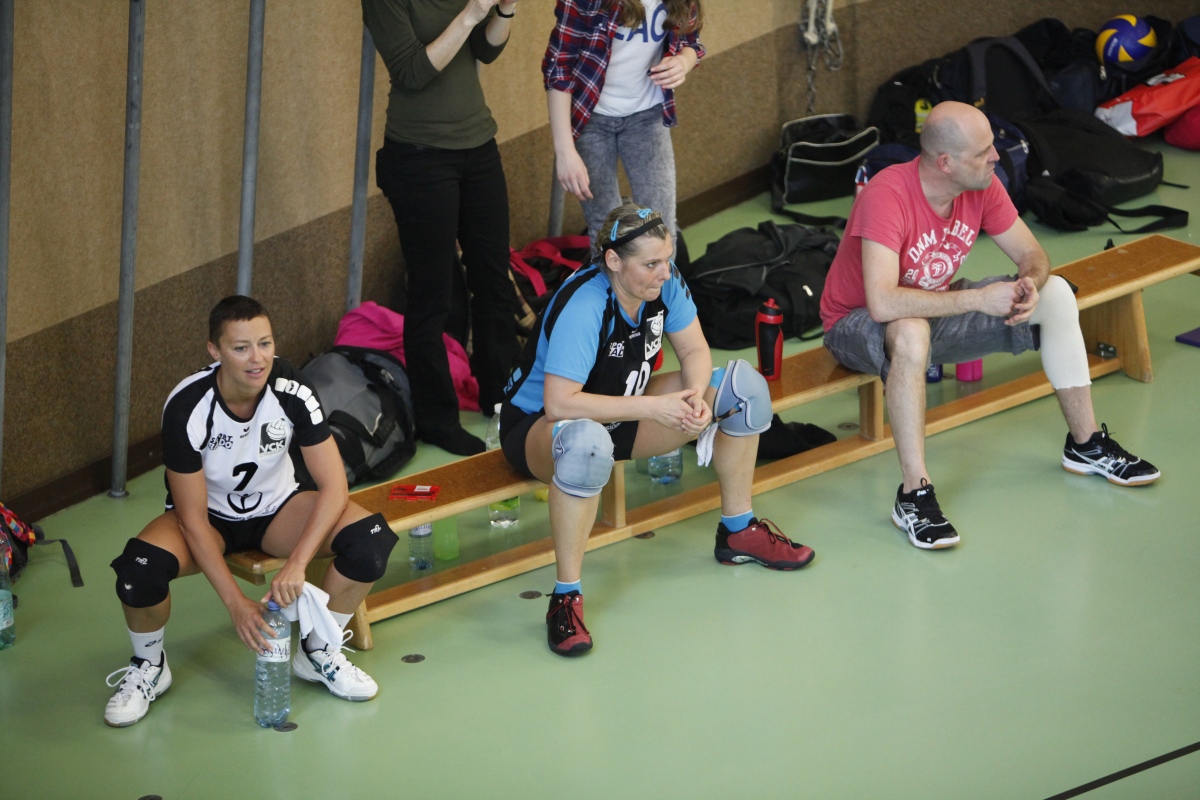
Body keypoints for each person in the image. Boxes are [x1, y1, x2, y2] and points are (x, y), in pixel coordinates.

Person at [820, 101, 1161, 551]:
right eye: (983, 152)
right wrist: (978, 299)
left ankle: (1086, 445)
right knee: (911, 331)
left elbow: (1032, 254)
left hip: (933, 309)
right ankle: (914, 494)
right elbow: (882, 303)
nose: (996, 157)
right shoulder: (887, 195)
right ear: (946, 162)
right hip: (854, 325)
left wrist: (1030, 284)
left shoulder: (981, 185)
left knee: (1057, 294)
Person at [500, 203, 814, 657]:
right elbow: (560, 403)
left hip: (623, 407)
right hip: (542, 430)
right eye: (650, 264)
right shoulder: (585, 304)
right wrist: (655, 407)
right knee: (587, 444)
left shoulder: (664, 283)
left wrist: (693, 397)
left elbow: (695, 351)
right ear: (613, 261)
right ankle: (565, 598)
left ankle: (738, 530)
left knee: (743, 388)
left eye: (667, 259)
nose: (664, 272)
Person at [103, 296, 397, 727]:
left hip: (279, 510)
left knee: (370, 542)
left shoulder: (291, 387)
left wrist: (297, 565)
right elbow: (191, 519)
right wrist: (236, 603)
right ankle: (150, 666)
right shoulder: (187, 405)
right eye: (241, 348)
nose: (257, 358)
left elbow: (335, 486)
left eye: (265, 343)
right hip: (209, 520)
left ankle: (318, 652)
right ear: (214, 350)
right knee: (138, 570)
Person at [364, 0, 521, 455]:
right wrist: (472, 12)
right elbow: (412, 72)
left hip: (478, 144)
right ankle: (437, 419)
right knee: (432, 295)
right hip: (419, 155)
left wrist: (504, 10)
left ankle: (502, 399)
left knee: (493, 279)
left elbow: (485, 51)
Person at [543, 0, 704, 245]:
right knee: (605, 229)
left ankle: (660, 273)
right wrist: (565, 151)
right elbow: (558, 67)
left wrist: (684, 62)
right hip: (590, 118)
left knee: (661, 227)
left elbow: (692, 42)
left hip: (647, 115)